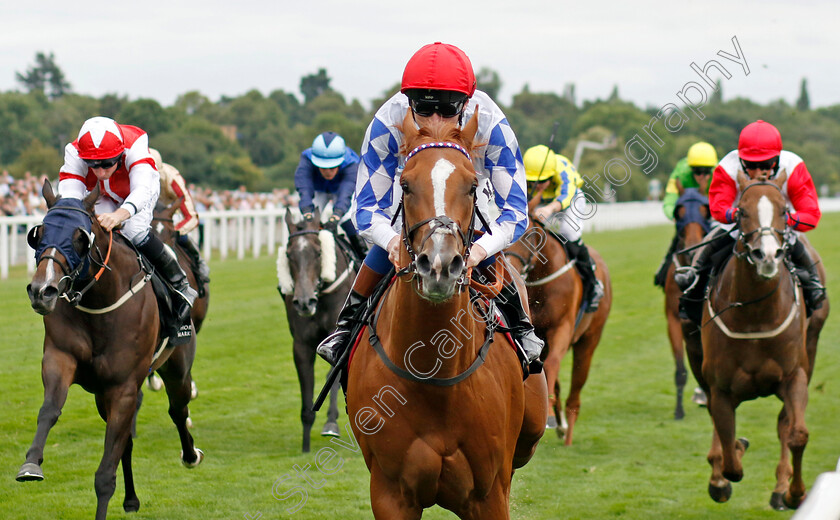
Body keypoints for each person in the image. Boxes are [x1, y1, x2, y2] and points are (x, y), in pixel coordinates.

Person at [316, 41, 543, 367]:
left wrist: (479, 250)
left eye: (448, 108)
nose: (435, 119)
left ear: (467, 103)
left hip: (470, 204)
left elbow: (516, 212)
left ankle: (521, 329)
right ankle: (346, 327)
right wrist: (392, 242)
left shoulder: (491, 122)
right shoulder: (388, 120)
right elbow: (365, 210)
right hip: (412, 200)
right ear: (407, 100)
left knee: (482, 242)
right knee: (393, 236)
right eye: (423, 107)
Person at [57, 116, 198, 329]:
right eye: (93, 165)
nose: (101, 171)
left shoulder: (136, 143)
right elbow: (70, 197)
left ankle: (180, 283)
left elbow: (141, 190)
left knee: (134, 231)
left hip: (137, 190)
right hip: (101, 194)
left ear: (120, 155)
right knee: (92, 232)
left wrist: (120, 214)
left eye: (107, 164)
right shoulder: (74, 151)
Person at [674, 120, 826, 315]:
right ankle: (693, 281)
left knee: (801, 246)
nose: (757, 172)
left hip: (781, 227)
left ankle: (814, 286)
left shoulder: (794, 166)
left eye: (765, 164)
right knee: (711, 241)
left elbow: (811, 215)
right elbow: (718, 208)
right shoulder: (728, 167)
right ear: (741, 159)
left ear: (777, 159)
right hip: (739, 225)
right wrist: (737, 215)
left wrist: (781, 219)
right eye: (751, 165)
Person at [524, 145, 604, 311]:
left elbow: (566, 195)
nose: (537, 185)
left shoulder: (563, 169)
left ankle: (593, 283)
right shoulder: (527, 171)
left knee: (568, 231)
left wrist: (549, 209)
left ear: (551, 175)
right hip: (545, 202)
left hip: (570, 200)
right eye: (532, 182)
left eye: (542, 181)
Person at [653, 142, 717, 288]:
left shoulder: (719, 172)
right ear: (690, 168)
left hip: (710, 214)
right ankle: (663, 272)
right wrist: (673, 214)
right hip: (688, 216)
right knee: (677, 241)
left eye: (706, 171)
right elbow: (670, 198)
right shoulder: (680, 173)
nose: (702, 175)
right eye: (697, 171)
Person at [294, 131, 366, 258]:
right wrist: (307, 212)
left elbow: (345, 194)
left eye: (332, 167)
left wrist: (335, 217)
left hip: (340, 190)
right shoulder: (306, 159)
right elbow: (304, 189)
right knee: (307, 220)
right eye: (322, 167)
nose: (327, 172)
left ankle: (362, 255)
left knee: (346, 218)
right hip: (318, 190)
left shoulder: (351, 163)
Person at [149, 148, 210, 285]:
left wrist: (173, 230)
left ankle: (198, 263)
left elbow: (191, 217)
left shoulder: (173, 180)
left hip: (169, 214)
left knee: (180, 236)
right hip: (145, 215)